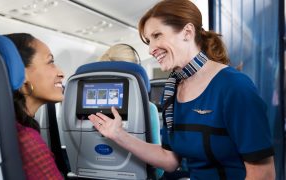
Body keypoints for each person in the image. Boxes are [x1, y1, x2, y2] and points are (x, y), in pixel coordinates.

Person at [88, 0, 275, 179]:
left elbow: (263, 175)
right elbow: (170, 160)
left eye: (157, 35)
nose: (151, 49)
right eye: (148, 41)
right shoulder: (171, 91)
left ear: (187, 32)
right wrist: (119, 135)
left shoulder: (234, 87)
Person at [5, 33, 64, 180]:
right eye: (50, 62)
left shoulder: (4, 126)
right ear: (21, 74)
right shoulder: (26, 141)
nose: (61, 73)